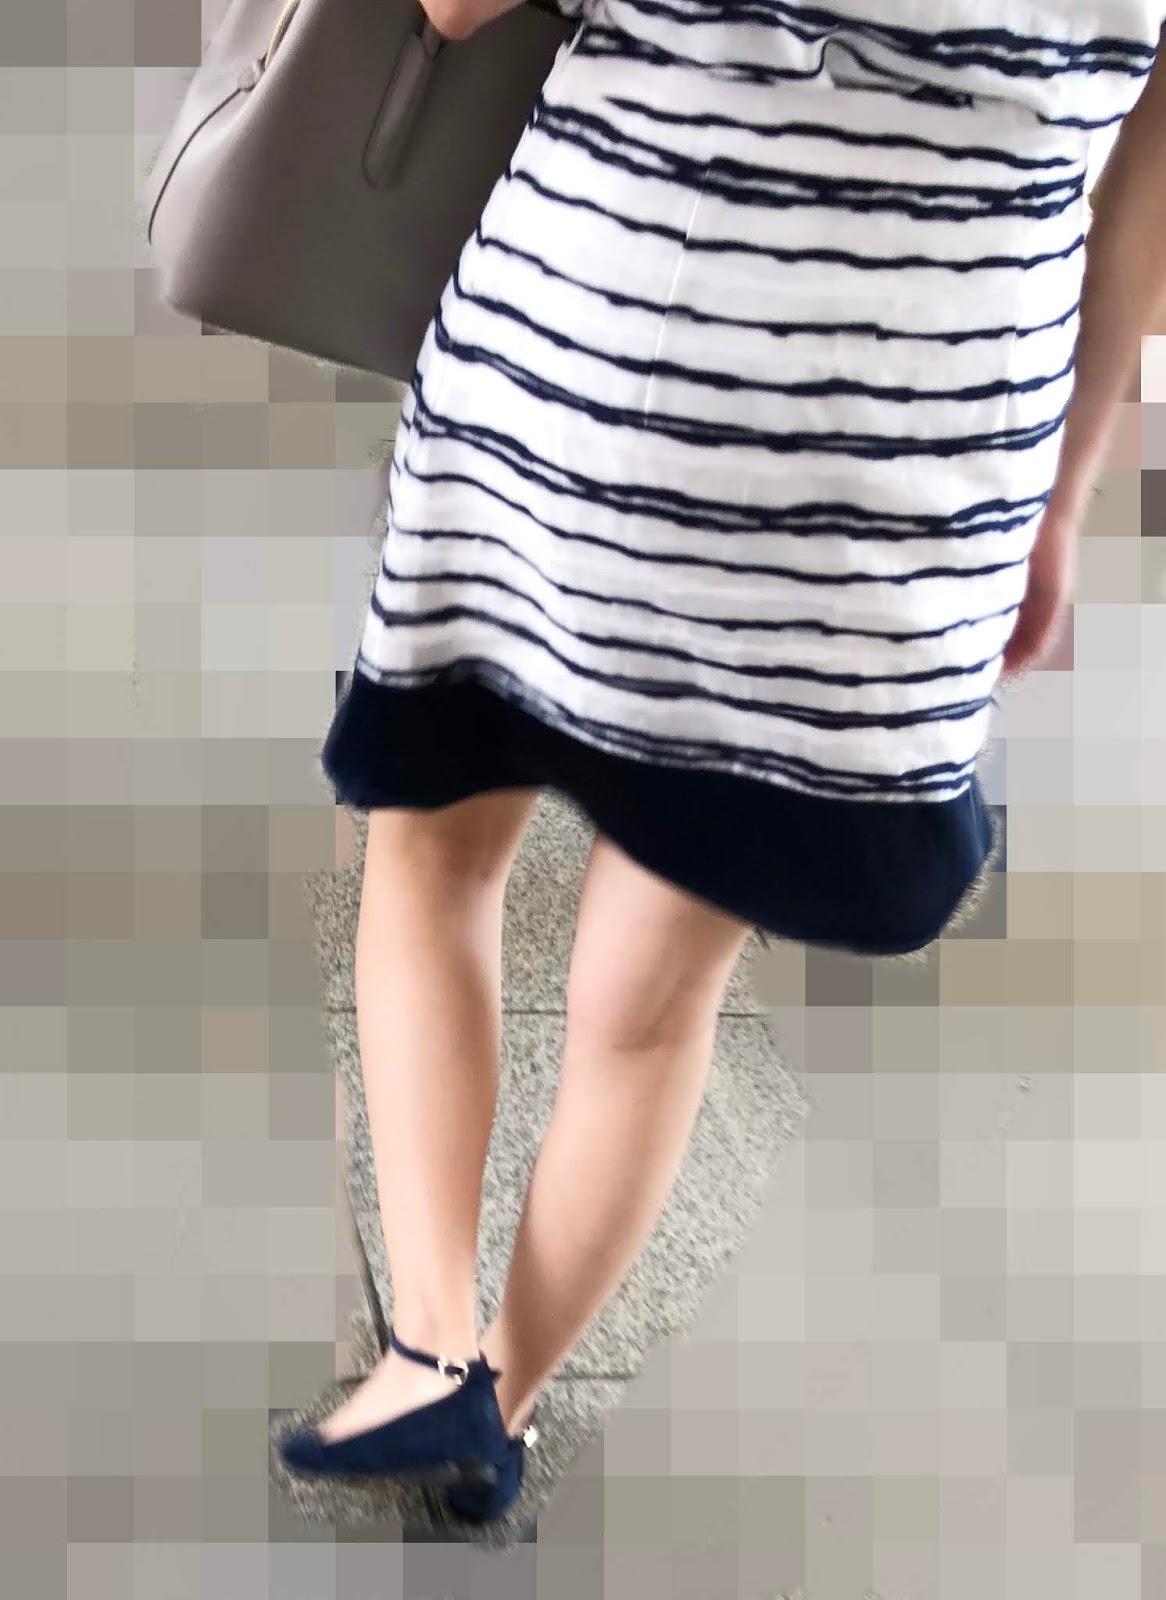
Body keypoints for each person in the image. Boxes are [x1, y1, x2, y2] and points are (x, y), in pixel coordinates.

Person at [279, 0, 1166, 1520]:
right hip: (909, 480)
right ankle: (504, 1404)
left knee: (435, 845)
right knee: (651, 1000)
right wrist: (1065, 489)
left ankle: (431, 1353)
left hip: (604, 379)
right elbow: (1139, 201)